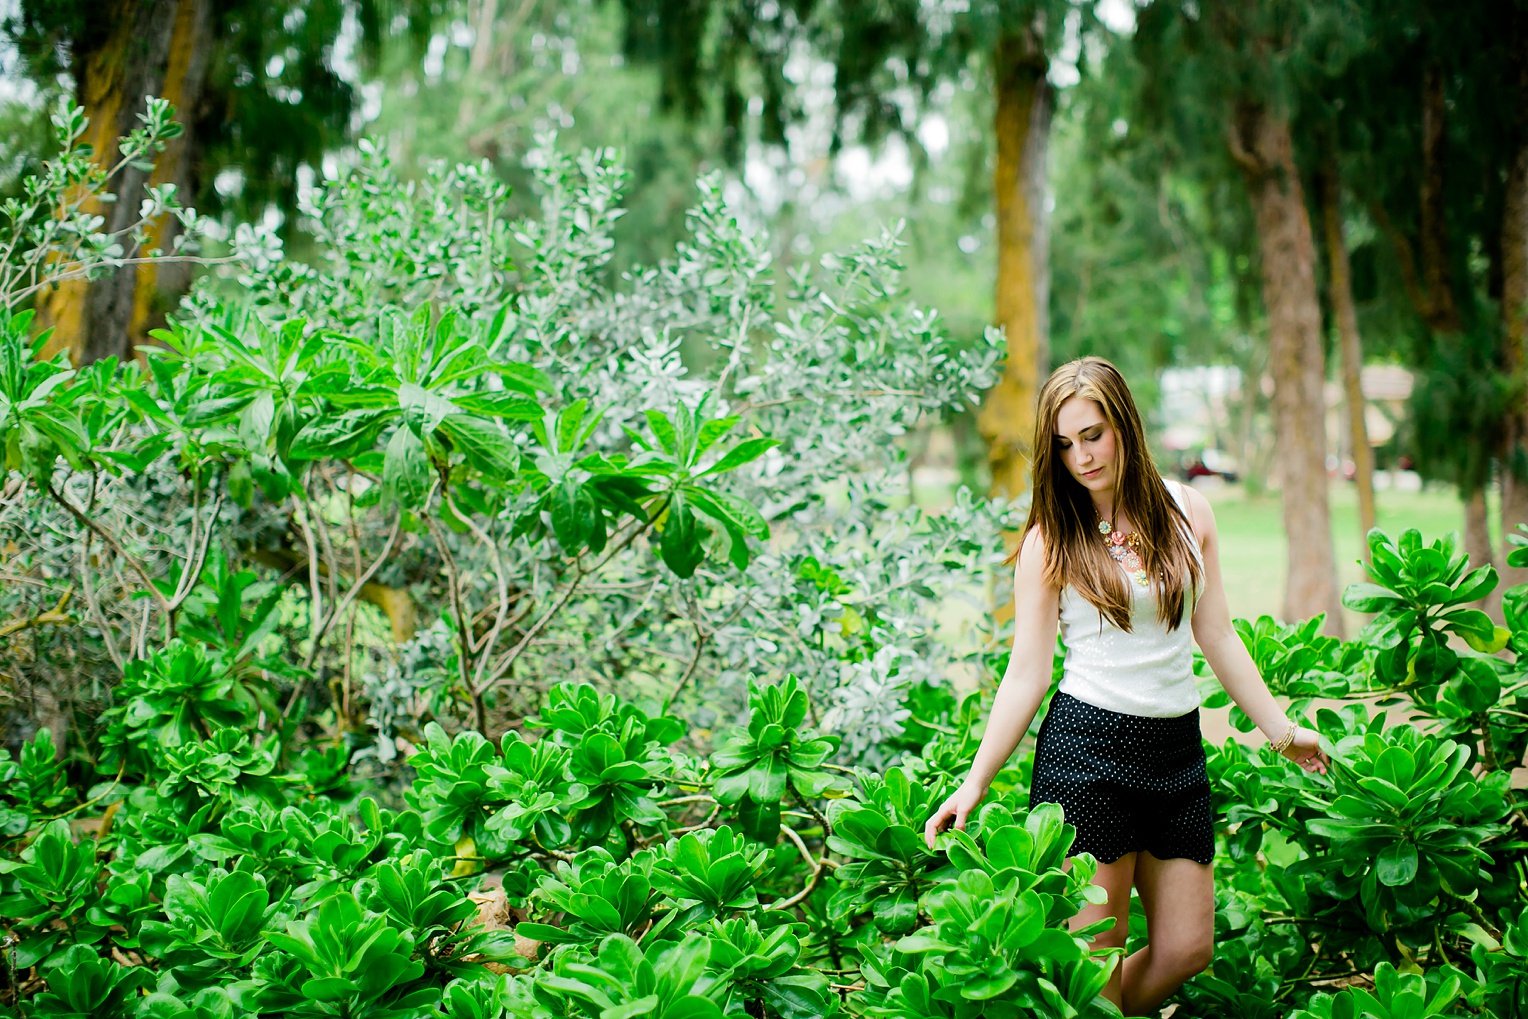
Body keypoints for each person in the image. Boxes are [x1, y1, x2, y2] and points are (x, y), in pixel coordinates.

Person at [923, 356, 1329, 1017]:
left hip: (1176, 752)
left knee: (1188, 946)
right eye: (1063, 444)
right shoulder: (1050, 538)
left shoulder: (1188, 509)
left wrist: (1282, 733)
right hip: (1088, 753)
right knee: (1096, 954)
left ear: (1125, 426)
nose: (1080, 456)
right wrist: (975, 780)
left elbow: (1217, 633)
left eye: (1092, 434)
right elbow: (1028, 671)